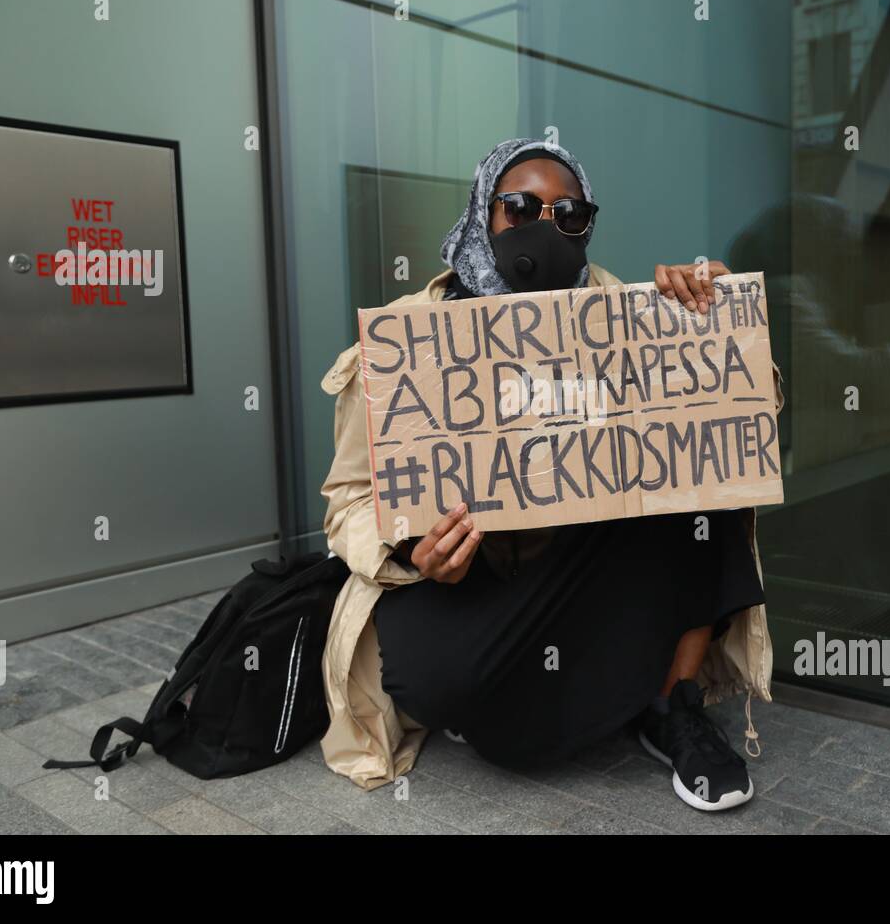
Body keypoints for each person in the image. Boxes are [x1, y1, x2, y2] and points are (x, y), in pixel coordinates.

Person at [316, 138, 785, 811]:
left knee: (703, 482)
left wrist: (711, 323)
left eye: (570, 213)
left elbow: (736, 424)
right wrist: (409, 554)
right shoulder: (403, 340)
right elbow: (348, 501)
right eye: (520, 207)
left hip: (576, 564)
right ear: (485, 212)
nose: (545, 224)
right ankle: (547, 696)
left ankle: (673, 707)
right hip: (461, 581)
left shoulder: (629, 315)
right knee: (448, 689)